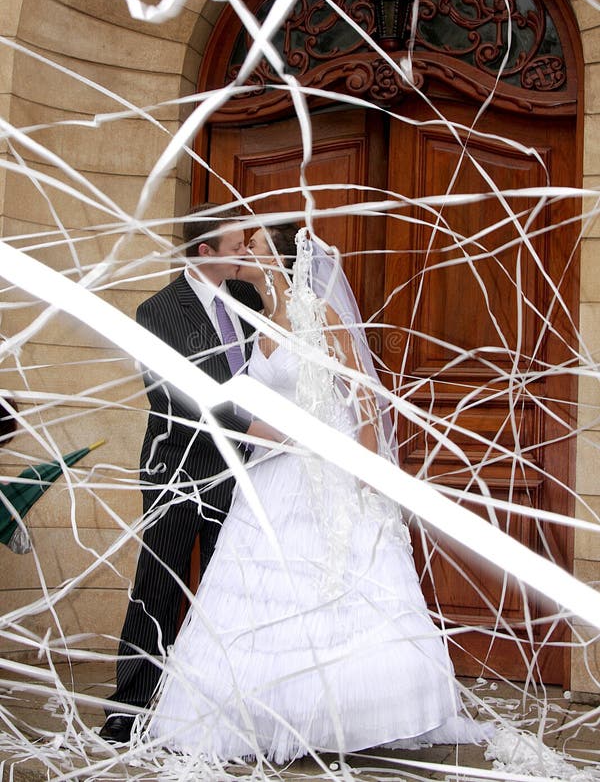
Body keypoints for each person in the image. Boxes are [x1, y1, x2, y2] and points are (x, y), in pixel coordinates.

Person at [141, 223, 493, 762]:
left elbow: (363, 394)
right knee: (254, 592)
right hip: (269, 471)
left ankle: (353, 717)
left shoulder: (317, 314)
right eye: (240, 245)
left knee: (333, 589)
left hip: (324, 471)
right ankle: (258, 714)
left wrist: (367, 467)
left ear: (281, 259)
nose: (243, 253)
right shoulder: (251, 315)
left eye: (252, 246)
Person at [100, 204, 263, 743]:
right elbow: (188, 396)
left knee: (225, 590)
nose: (246, 250)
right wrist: (268, 427)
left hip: (243, 475)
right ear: (205, 252)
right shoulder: (158, 312)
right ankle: (129, 704)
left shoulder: (247, 299)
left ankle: (209, 702)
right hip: (179, 469)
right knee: (159, 583)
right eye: (238, 243)